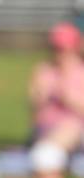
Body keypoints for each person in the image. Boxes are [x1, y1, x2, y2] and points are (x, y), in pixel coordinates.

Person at [30, 22, 84, 152]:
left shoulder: (81, 72)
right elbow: (34, 109)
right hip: (46, 127)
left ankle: (47, 155)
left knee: (70, 129)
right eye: (56, 48)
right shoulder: (44, 70)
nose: (59, 53)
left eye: (63, 49)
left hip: (75, 129)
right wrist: (41, 94)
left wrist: (68, 97)